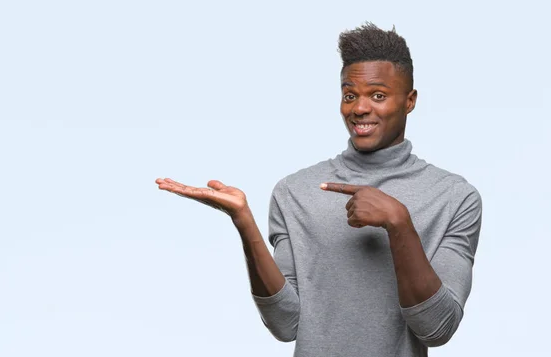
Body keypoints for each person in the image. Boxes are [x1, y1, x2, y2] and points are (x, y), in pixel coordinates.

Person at [155, 22, 482, 357]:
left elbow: (437, 328)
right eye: (350, 95)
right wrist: (244, 221)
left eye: (378, 96)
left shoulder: (454, 197)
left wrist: (399, 222)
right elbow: (285, 324)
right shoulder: (294, 192)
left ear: (410, 101)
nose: (359, 108)